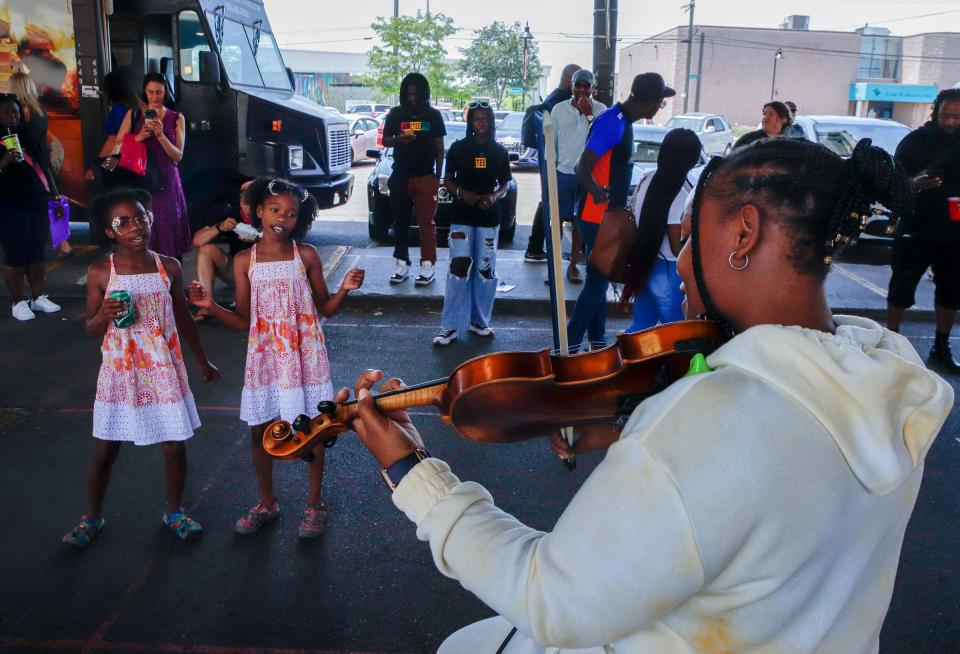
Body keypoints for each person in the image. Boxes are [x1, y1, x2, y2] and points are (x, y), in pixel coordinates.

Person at [333, 137, 950, 653]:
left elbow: (553, 601)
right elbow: (772, 496)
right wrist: (633, 428)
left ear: (744, 232)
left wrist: (409, 469)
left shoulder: (711, 418)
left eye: (690, 239)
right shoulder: (889, 381)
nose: (681, 264)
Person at [187, 178, 365, 539]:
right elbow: (241, 319)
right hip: (266, 360)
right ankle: (267, 502)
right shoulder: (243, 261)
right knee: (260, 432)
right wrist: (210, 306)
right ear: (256, 212)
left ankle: (314, 505)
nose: (283, 217)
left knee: (312, 431)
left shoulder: (307, 256)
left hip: (305, 359)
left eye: (291, 212)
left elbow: (326, 308)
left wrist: (345, 288)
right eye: (274, 210)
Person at [62, 188, 219, 550]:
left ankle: (175, 512)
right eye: (124, 222)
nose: (136, 226)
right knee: (105, 450)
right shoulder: (103, 271)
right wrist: (103, 314)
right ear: (109, 231)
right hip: (120, 370)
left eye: (141, 217)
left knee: (173, 447)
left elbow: (183, 317)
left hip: (163, 368)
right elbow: (89, 328)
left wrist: (202, 360)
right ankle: (92, 517)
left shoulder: (169, 266)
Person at [567, 73, 675, 352]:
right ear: (649, 103)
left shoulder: (617, 120)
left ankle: (596, 341)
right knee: (595, 286)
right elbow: (582, 165)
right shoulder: (614, 123)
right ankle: (567, 349)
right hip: (599, 218)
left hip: (600, 216)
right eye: (660, 103)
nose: (658, 109)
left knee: (598, 282)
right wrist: (596, 191)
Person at [887, 88, 960, 371]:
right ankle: (891, 344)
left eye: (957, 117)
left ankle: (941, 346)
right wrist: (914, 184)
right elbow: (892, 183)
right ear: (935, 112)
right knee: (901, 288)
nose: (952, 122)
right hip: (915, 228)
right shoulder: (915, 142)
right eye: (946, 115)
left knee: (951, 292)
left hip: (955, 233)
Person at [432, 103, 512, 346]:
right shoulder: (458, 148)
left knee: (485, 270)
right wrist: (462, 193)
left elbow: (506, 184)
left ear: (491, 122)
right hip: (462, 216)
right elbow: (447, 179)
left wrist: (493, 197)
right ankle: (450, 326)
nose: (481, 123)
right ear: (471, 122)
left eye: (485, 119)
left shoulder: (499, 151)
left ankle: (479, 321)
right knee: (459, 267)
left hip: (489, 218)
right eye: (477, 119)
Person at [621, 128, 701, 333]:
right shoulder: (681, 193)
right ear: (690, 159)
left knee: (641, 326)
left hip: (645, 263)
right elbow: (677, 248)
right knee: (675, 333)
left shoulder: (647, 179)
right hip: (669, 271)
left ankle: (625, 363)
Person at [113, 73, 190, 259]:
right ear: (145, 93)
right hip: (142, 179)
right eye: (151, 92)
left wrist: (160, 135)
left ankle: (173, 278)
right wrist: (139, 137)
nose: (155, 97)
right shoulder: (135, 114)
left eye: (159, 92)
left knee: (169, 229)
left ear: (166, 93)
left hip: (168, 181)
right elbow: (117, 146)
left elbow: (178, 156)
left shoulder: (176, 118)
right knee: (145, 226)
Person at [0, 93, 60, 321]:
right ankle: (17, 301)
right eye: (6, 112)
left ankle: (38, 297)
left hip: (35, 200)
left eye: (15, 112)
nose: (12, 116)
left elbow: (43, 166)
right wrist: (5, 160)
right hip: (9, 204)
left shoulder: (27, 136)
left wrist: (54, 192)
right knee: (16, 252)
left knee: (36, 250)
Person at [382, 72, 446, 286]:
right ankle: (402, 263)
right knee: (400, 222)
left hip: (426, 176)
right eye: (409, 94)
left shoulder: (434, 116)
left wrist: (438, 175)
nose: (412, 98)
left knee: (426, 223)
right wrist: (400, 139)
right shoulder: (395, 114)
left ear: (424, 94)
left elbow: (439, 147)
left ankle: (428, 265)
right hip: (400, 175)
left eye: (416, 94)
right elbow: (385, 140)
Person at [547, 69, 607, 284]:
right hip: (563, 173)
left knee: (580, 223)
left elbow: (602, 140)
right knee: (557, 220)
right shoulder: (558, 110)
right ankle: (553, 267)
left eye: (586, 85)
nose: (582, 89)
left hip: (588, 177)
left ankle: (573, 264)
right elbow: (550, 145)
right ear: (571, 86)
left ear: (594, 87)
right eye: (578, 85)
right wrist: (550, 174)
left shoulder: (601, 111)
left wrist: (589, 114)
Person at [8, 71, 74, 260]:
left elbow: (15, 139)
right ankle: (64, 243)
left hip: (27, 164)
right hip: (43, 161)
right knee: (52, 201)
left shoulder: (18, 112)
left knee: (35, 205)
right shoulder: (38, 109)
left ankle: (58, 244)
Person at [523, 63, 582, 263]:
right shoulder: (561, 103)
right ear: (569, 81)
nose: (581, 89)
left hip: (551, 161)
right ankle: (544, 252)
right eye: (577, 82)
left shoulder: (553, 99)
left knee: (548, 204)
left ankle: (537, 248)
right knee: (554, 208)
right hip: (558, 164)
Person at [190, 179, 258, 323]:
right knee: (206, 250)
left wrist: (261, 240)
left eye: (254, 204)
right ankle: (207, 304)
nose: (248, 209)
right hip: (237, 272)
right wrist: (220, 227)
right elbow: (197, 240)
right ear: (240, 200)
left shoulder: (271, 215)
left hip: (265, 273)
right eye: (245, 203)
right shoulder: (231, 215)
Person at [86, 71, 144, 189]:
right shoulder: (139, 105)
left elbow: (114, 143)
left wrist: (97, 169)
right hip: (138, 162)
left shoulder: (118, 110)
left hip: (119, 161)